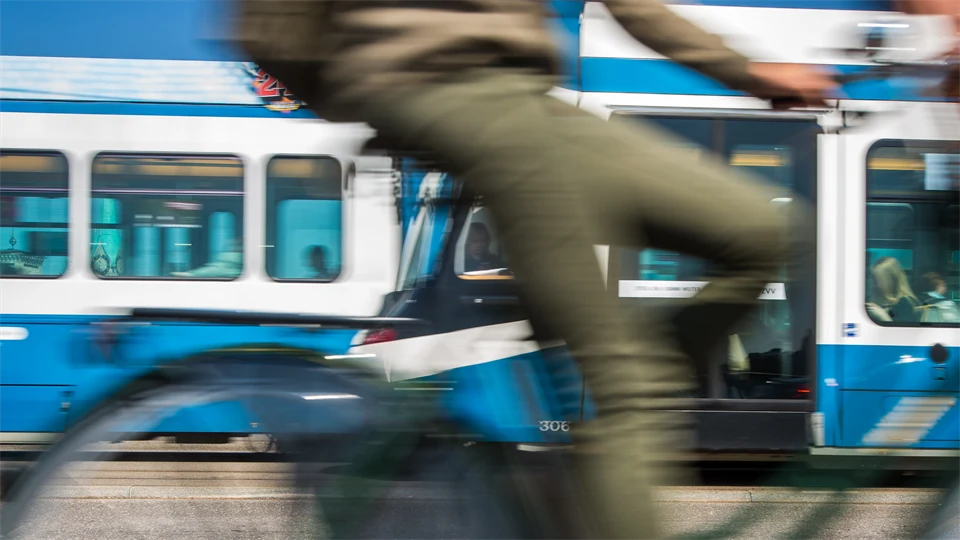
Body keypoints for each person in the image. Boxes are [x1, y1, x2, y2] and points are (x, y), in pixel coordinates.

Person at [227, 2, 832, 539]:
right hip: (450, 99)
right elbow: (269, 25)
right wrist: (371, 95)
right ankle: (626, 413)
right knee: (631, 392)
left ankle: (626, 414)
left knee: (766, 234)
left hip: (529, 99)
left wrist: (746, 71)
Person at [867, 257, 922, 323]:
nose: (876, 284)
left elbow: (903, 328)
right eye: (874, 279)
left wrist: (882, 316)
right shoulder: (871, 299)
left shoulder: (904, 302)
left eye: (879, 280)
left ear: (892, 280)